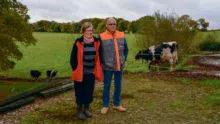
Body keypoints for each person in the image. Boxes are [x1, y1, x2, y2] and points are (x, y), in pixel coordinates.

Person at [70, 22, 103, 120]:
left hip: (91, 71)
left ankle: (86, 109)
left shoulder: (97, 42)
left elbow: (100, 56)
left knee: (89, 91)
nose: (90, 32)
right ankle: (79, 110)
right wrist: (75, 68)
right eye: (88, 30)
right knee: (80, 91)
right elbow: (72, 58)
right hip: (80, 72)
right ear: (83, 31)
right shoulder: (78, 42)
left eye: (91, 30)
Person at [99, 17, 129, 114]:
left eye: (114, 24)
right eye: (110, 24)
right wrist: (102, 63)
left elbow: (126, 49)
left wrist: (124, 60)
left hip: (119, 66)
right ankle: (105, 105)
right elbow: (99, 52)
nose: (112, 26)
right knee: (106, 86)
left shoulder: (121, 34)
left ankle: (117, 104)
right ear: (106, 25)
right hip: (107, 67)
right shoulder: (101, 36)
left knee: (118, 86)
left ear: (116, 25)